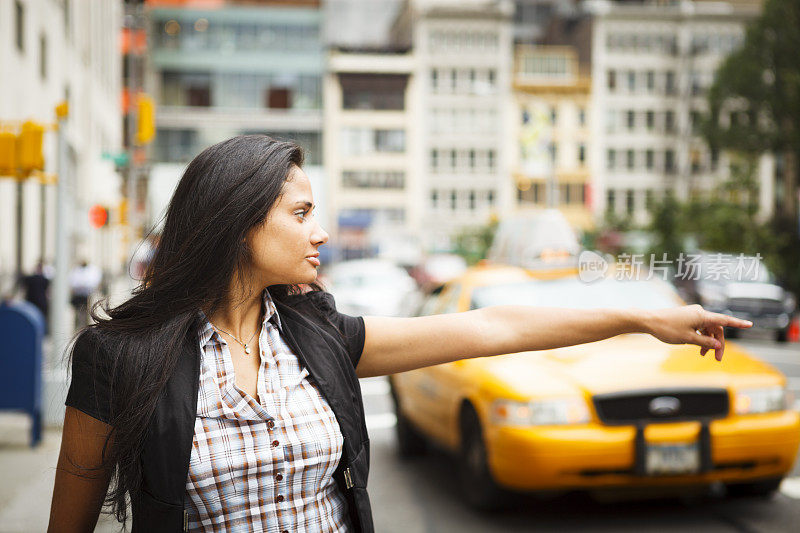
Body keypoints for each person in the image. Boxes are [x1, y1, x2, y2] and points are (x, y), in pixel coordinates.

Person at [48, 135, 751, 533]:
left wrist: (639, 315)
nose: (320, 230)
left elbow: (491, 323)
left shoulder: (316, 335)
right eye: (301, 212)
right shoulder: (122, 357)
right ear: (239, 223)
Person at [18, 259, 51, 333]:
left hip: (31, 302)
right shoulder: (45, 279)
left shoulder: (30, 278)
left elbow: (23, 286)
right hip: (41, 302)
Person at [69, 259, 102, 330]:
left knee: (85, 312)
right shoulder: (76, 270)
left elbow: (93, 282)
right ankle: (77, 326)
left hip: (86, 295)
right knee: (77, 312)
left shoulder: (91, 270)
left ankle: (84, 327)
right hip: (78, 295)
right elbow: (72, 282)